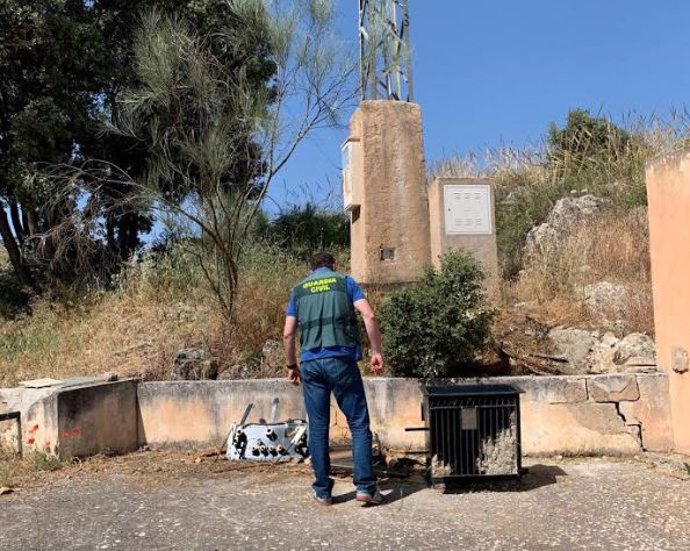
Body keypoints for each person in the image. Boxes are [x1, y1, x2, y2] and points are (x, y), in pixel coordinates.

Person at [283, 251, 385, 507]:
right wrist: (376, 351)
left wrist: (291, 364)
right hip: (341, 360)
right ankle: (365, 487)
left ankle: (322, 490)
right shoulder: (345, 282)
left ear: (311, 269)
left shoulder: (299, 290)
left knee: (318, 426)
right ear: (332, 266)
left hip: (310, 364)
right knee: (358, 423)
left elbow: (287, 333)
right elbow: (369, 315)